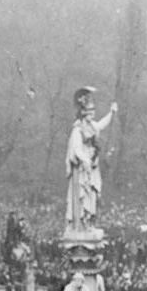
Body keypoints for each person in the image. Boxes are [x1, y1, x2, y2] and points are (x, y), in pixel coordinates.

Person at [64, 87, 117, 235]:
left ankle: (88, 222)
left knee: (92, 196)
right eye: (90, 111)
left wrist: (111, 112)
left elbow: (102, 124)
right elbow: (76, 148)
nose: (92, 114)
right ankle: (80, 223)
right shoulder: (78, 129)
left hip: (92, 168)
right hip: (81, 170)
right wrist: (85, 160)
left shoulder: (93, 126)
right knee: (81, 196)